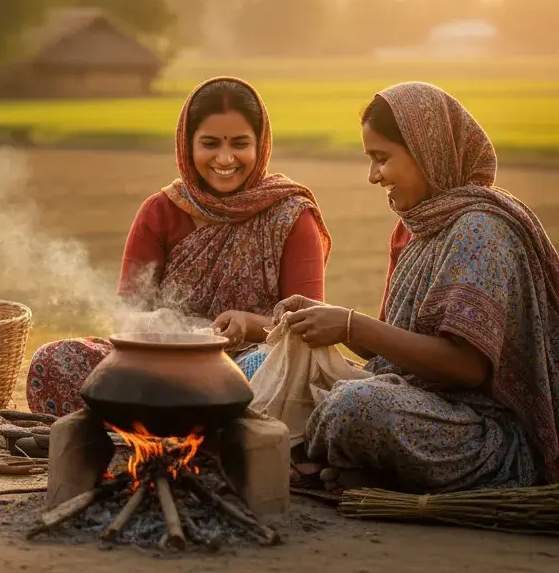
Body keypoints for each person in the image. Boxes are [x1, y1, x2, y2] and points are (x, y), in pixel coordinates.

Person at [277, 82, 559, 491]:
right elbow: (398, 348)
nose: (373, 176)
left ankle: (349, 465)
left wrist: (350, 325)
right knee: (286, 376)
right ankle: (364, 470)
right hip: (420, 401)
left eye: (381, 158)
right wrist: (321, 322)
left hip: (477, 431)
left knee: (357, 409)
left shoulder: (481, 230)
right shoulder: (418, 227)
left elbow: (466, 367)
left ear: (427, 152)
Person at [26, 78, 331, 415]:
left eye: (240, 144)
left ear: (261, 145)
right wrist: (161, 325)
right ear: (188, 146)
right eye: (210, 144)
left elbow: (307, 325)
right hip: (160, 364)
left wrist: (249, 324)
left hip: (251, 366)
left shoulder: (291, 215)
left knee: (262, 372)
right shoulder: (161, 210)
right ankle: (141, 439)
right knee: (55, 361)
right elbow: (127, 314)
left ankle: (163, 437)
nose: (225, 158)